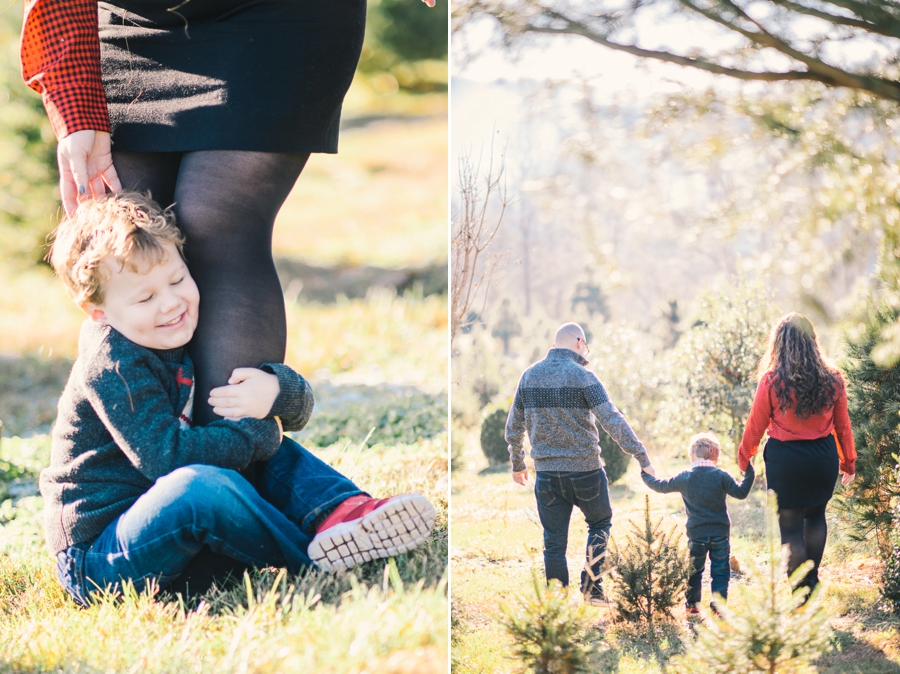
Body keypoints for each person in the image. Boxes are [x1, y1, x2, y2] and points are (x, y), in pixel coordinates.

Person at [20, 0, 434, 427]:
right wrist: (75, 105)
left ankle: (228, 467)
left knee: (216, 222)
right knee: (127, 244)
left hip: (279, 19)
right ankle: (139, 467)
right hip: (136, 25)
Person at [43, 191, 436, 606]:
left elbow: (297, 414)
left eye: (177, 280)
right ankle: (313, 553)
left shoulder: (176, 327)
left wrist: (277, 392)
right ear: (97, 311)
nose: (171, 302)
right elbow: (167, 458)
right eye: (145, 298)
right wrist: (257, 434)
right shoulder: (113, 365)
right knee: (199, 485)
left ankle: (345, 513)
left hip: (178, 545)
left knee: (247, 450)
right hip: (104, 559)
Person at [505, 322, 655, 606]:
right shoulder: (584, 376)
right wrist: (641, 456)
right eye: (585, 346)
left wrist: (517, 462)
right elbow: (612, 419)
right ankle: (591, 590)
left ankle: (557, 603)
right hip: (586, 471)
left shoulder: (529, 376)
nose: (586, 351)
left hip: (547, 474)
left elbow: (514, 425)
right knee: (600, 523)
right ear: (578, 342)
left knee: (554, 540)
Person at [737, 312, 856, 592]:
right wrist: (848, 461)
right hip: (821, 458)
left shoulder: (771, 381)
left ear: (779, 344)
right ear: (813, 341)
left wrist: (745, 457)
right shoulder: (833, 379)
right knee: (815, 517)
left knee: (790, 529)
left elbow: (756, 423)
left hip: (785, 460)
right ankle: (812, 583)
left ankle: (801, 593)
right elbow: (843, 426)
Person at [641, 432, 754, 615]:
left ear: (692, 456)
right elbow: (741, 492)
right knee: (720, 571)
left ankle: (692, 605)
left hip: (696, 535)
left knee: (694, 570)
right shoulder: (721, 476)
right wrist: (749, 471)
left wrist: (645, 475)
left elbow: (660, 486)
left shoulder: (684, 477)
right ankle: (718, 607)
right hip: (720, 533)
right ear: (715, 457)